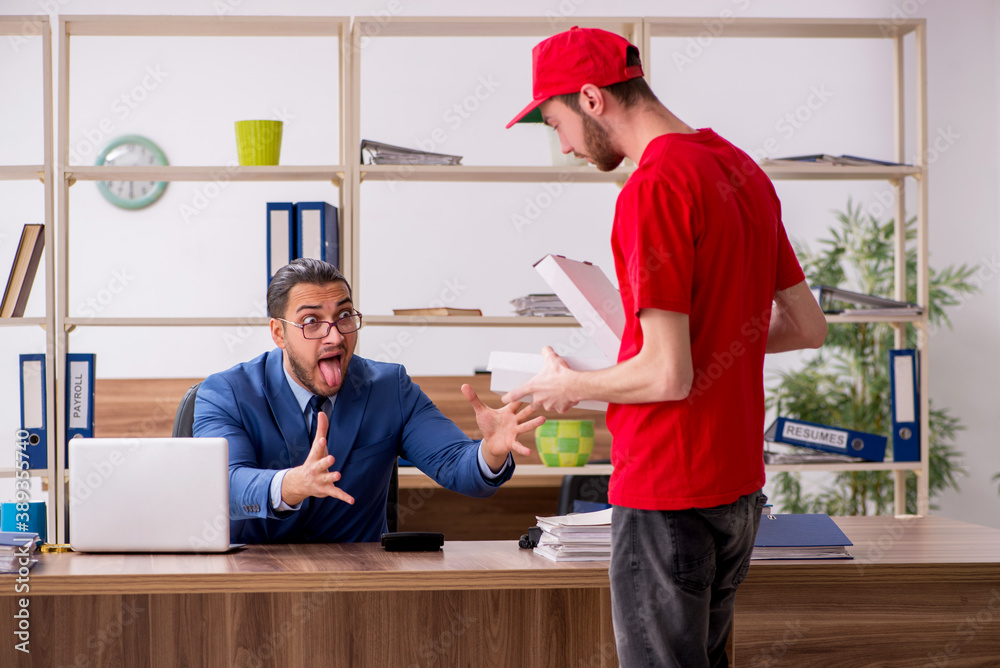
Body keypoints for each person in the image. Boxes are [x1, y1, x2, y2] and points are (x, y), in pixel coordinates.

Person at [504, 27, 828, 668]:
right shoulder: (741, 170)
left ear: (591, 98)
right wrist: (705, 345)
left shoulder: (652, 188)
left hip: (667, 490)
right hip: (736, 491)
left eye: (556, 123)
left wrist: (570, 385)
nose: (564, 146)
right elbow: (807, 326)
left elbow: (666, 375)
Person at [193, 258, 542, 544]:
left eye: (344, 315)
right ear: (278, 333)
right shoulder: (226, 393)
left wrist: (490, 452)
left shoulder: (390, 388)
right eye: (311, 321)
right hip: (255, 581)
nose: (334, 336)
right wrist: (293, 484)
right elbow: (224, 486)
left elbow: (457, 466)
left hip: (361, 583)